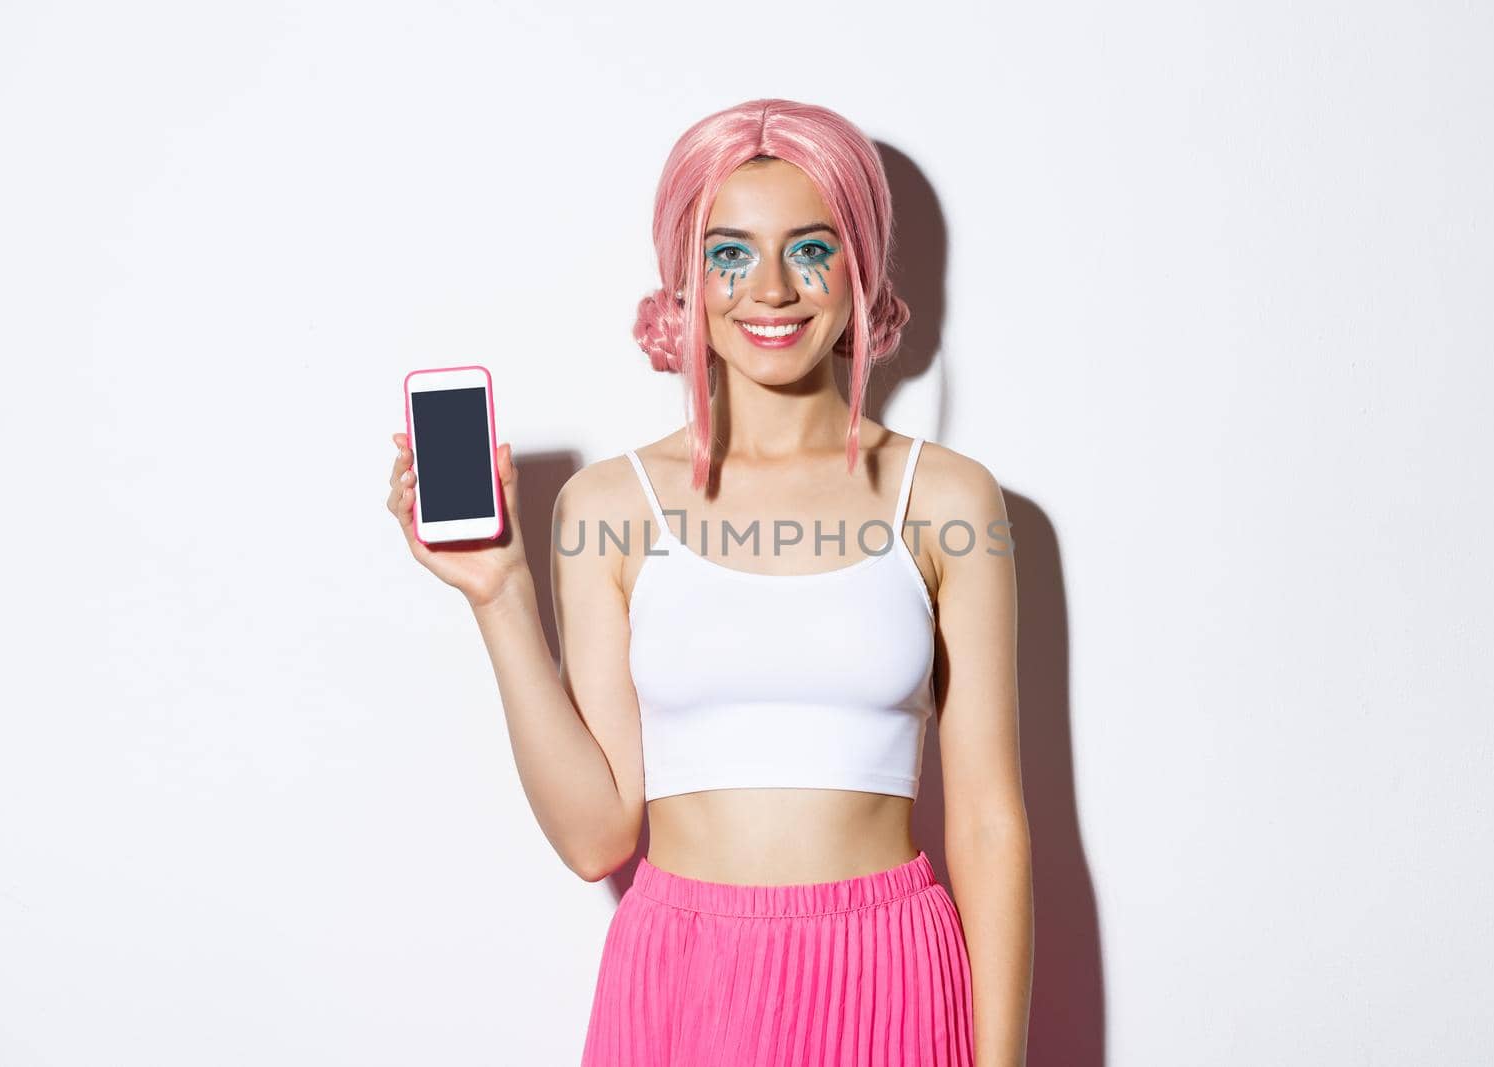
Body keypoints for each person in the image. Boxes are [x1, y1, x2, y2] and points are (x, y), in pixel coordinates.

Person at [385, 98, 1031, 1066]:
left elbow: (988, 821)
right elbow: (596, 836)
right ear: (683, 279)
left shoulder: (945, 496)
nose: (769, 289)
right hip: (682, 973)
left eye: (810, 247)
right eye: (728, 253)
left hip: (890, 963)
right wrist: (499, 594)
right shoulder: (612, 504)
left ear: (861, 264)